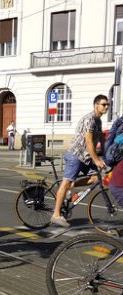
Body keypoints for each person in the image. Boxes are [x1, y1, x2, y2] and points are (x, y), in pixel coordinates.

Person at [51, 95, 110, 227]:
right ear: (96, 105)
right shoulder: (90, 119)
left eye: (108, 105)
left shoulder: (98, 121)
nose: (106, 107)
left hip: (85, 157)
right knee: (66, 182)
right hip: (76, 155)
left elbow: (101, 139)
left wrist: (107, 157)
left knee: (96, 178)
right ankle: (55, 215)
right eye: (104, 104)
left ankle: (70, 187)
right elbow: (89, 142)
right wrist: (97, 160)